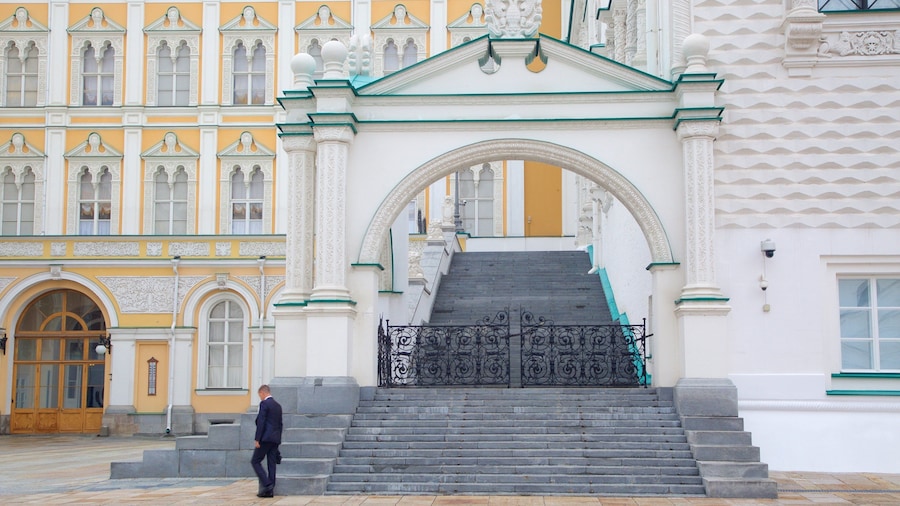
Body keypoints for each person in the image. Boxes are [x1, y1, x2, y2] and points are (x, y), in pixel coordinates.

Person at [251, 384, 283, 498]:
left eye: (259, 395)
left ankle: (267, 484)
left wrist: (257, 439)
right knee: (271, 464)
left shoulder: (264, 404)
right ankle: (270, 490)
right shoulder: (278, 406)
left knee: (255, 461)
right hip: (275, 439)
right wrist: (278, 439)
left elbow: (261, 422)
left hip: (265, 438)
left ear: (262, 393)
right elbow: (280, 424)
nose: (260, 397)